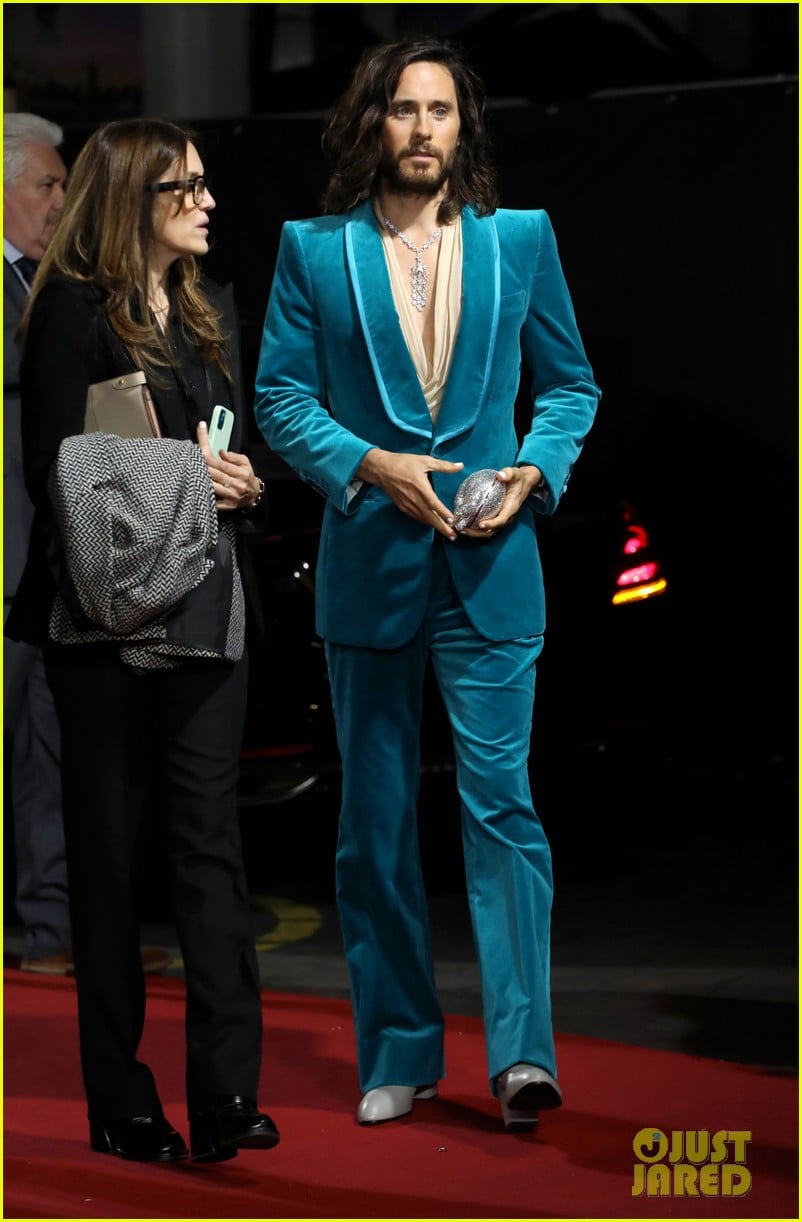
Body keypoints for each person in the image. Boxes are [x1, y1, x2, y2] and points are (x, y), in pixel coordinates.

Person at [254, 36, 601, 1132]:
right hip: (372, 567)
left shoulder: (521, 238)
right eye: (403, 108)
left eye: (439, 110)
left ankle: (522, 1056)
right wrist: (370, 462)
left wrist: (535, 471)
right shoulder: (313, 250)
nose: (420, 128)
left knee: (504, 810)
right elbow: (280, 400)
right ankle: (399, 1049)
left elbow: (571, 387)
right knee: (374, 825)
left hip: (493, 567)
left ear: (463, 125)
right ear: (373, 122)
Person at [5, 117, 279, 1165]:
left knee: (211, 848)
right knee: (110, 862)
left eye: (205, 184)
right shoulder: (69, 308)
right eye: (186, 188)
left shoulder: (207, 310)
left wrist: (242, 481)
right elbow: (54, 470)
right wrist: (191, 479)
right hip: (101, 620)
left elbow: (225, 447)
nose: (208, 202)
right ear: (134, 199)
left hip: (207, 606)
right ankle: (120, 1101)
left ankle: (227, 1092)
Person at [3, 112, 72, 973]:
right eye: (48, 184)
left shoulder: (55, 284)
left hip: (57, 567)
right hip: (6, 563)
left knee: (52, 757)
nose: (61, 200)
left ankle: (52, 934)